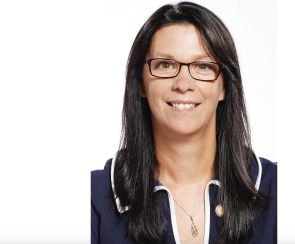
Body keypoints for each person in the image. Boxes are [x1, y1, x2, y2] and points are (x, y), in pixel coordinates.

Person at [91, 2, 277, 244]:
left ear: (224, 87)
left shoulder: (278, 189)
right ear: (140, 83)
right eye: (165, 65)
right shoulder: (94, 198)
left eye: (202, 66)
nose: (183, 83)